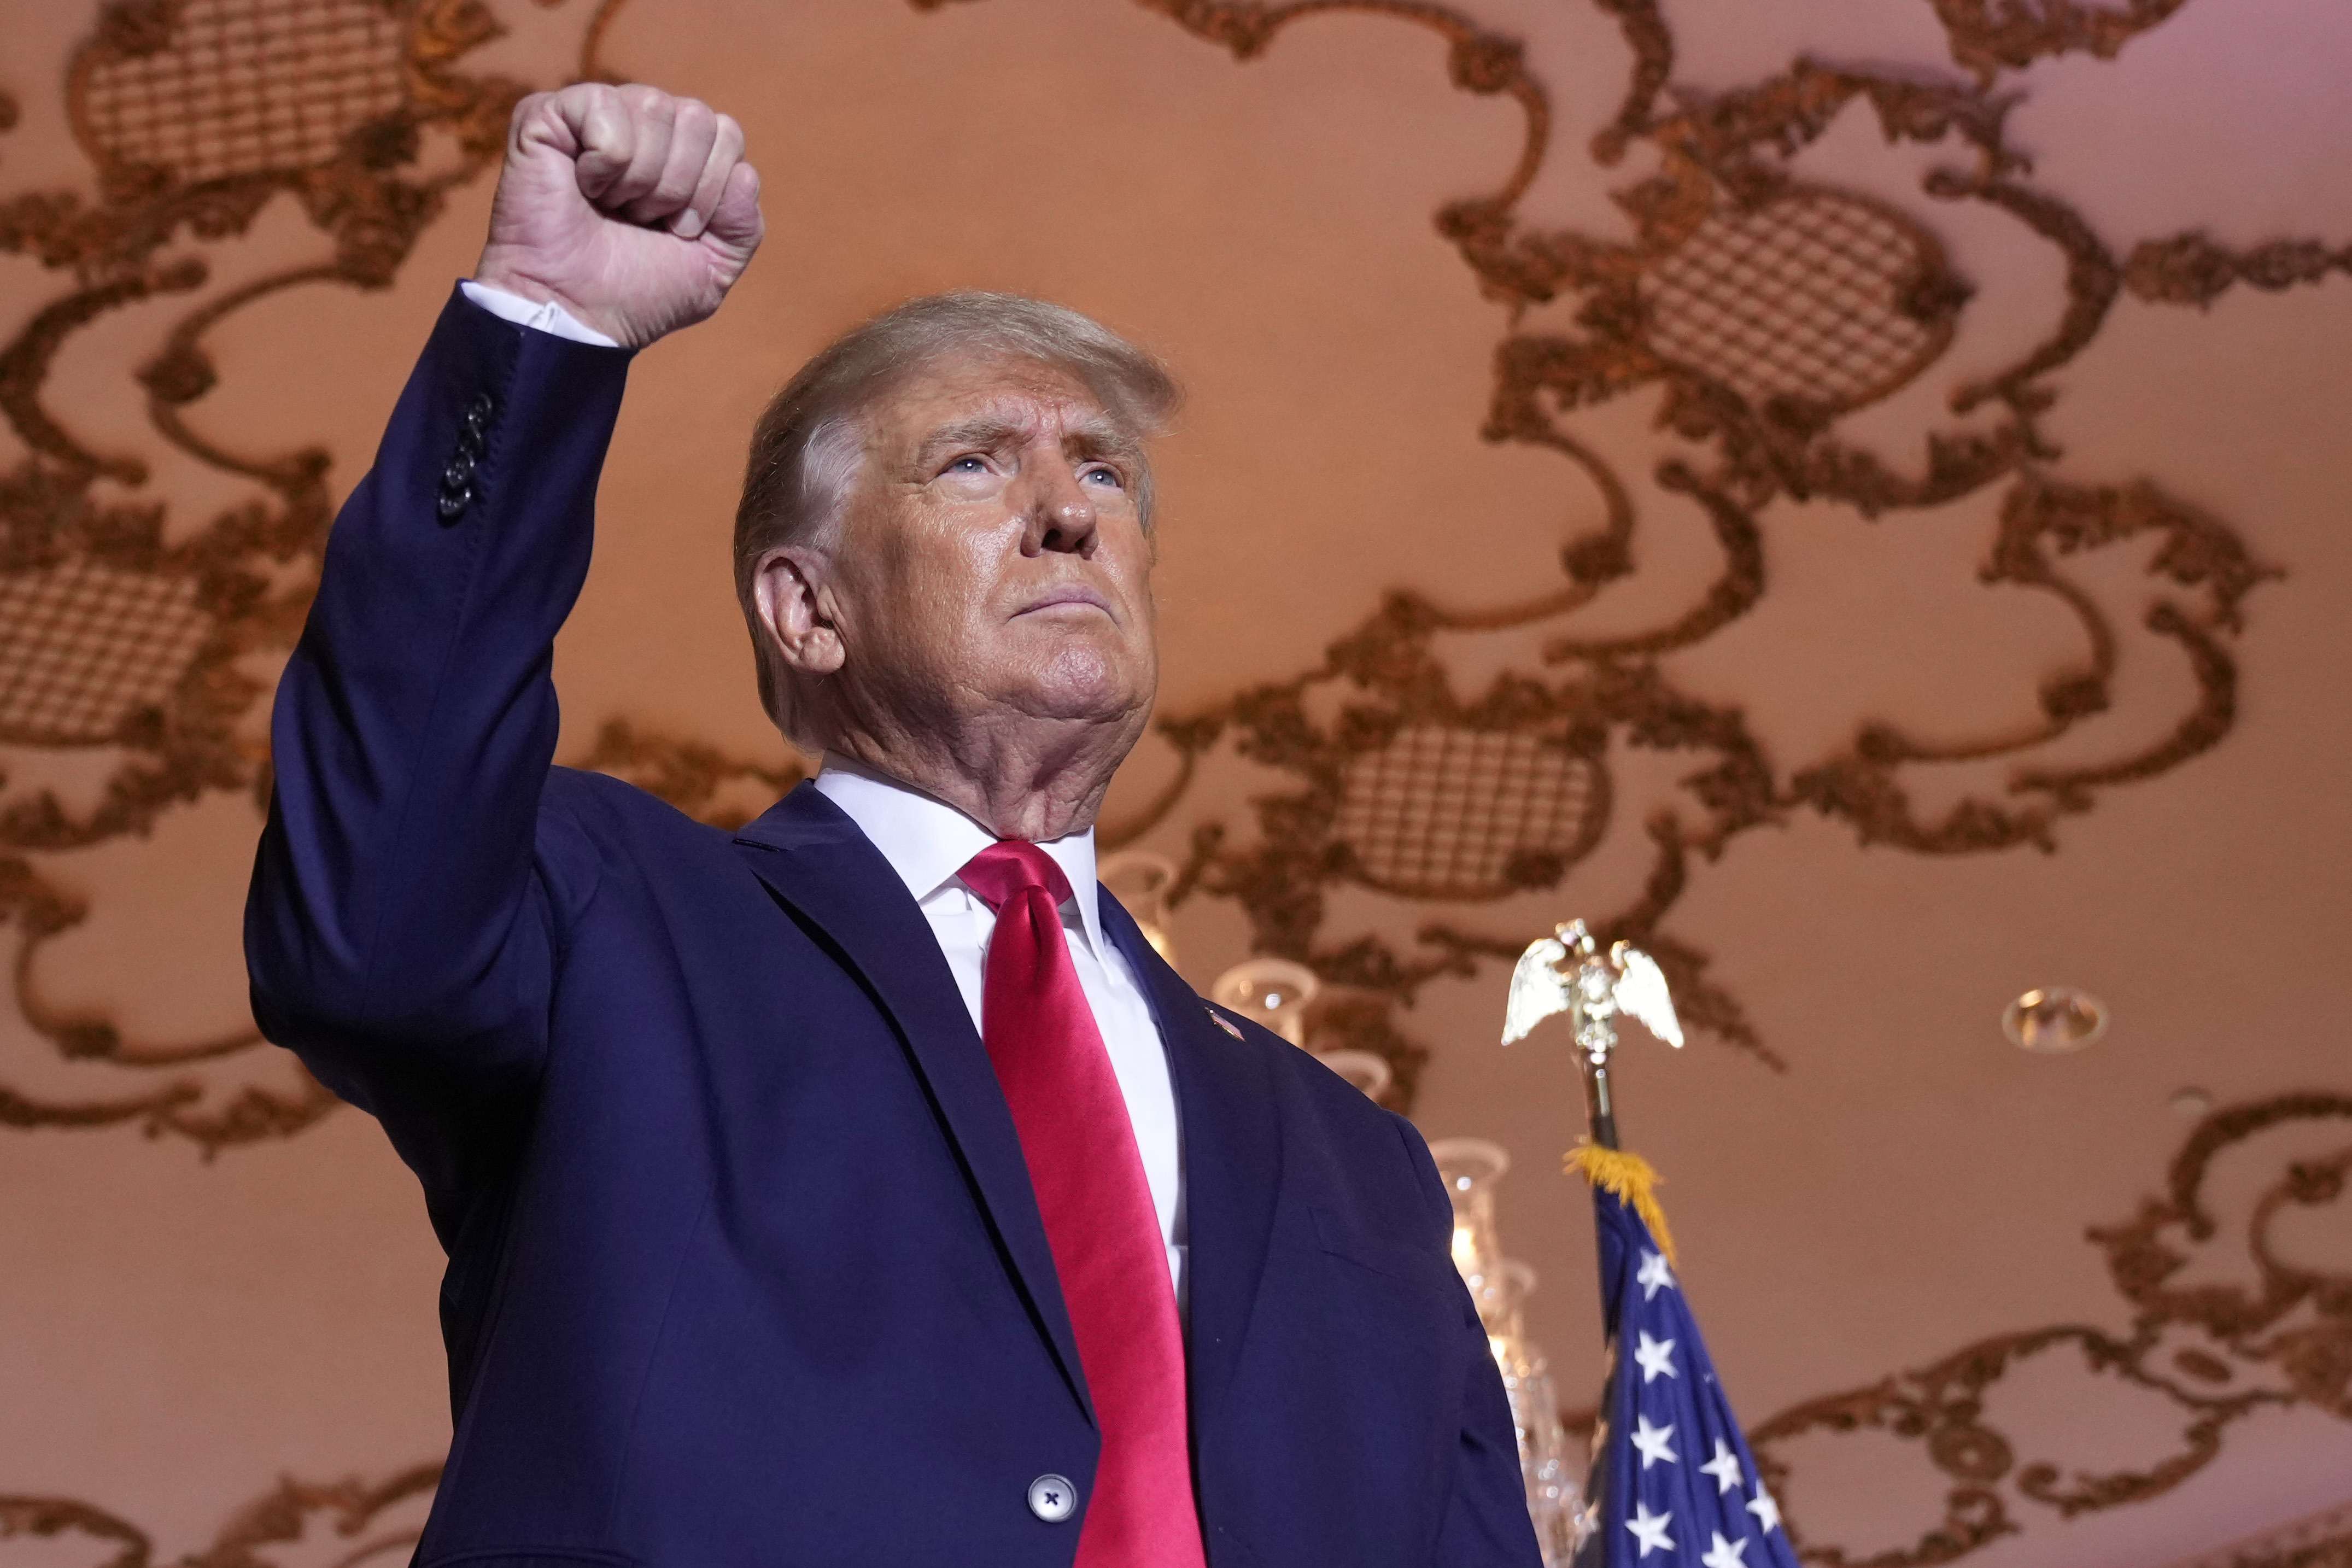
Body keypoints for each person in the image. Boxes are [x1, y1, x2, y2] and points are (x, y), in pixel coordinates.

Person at [246, 81, 1540, 1567]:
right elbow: (370, 918)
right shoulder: (617, 922)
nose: (1072, 512)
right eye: (976, 462)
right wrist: (547, 325)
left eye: (1105, 472)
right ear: (807, 609)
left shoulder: (1359, 1160)